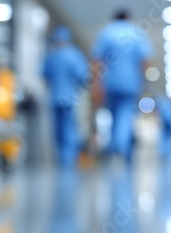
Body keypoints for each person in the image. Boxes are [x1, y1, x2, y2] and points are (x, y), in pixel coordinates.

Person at [91, 9, 153, 162]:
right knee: (125, 115)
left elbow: (97, 61)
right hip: (131, 84)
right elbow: (145, 62)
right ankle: (120, 146)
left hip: (110, 83)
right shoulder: (137, 33)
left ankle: (115, 146)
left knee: (113, 116)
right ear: (128, 18)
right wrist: (146, 85)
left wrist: (96, 85)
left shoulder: (106, 33)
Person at [42, 26, 89, 166]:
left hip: (55, 97)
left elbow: (44, 75)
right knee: (69, 127)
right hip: (70, 98)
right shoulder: (75, 55)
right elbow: (83, 77)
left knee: (58, 129)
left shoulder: (51, 56)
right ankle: (68, 158)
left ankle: (63, 157)